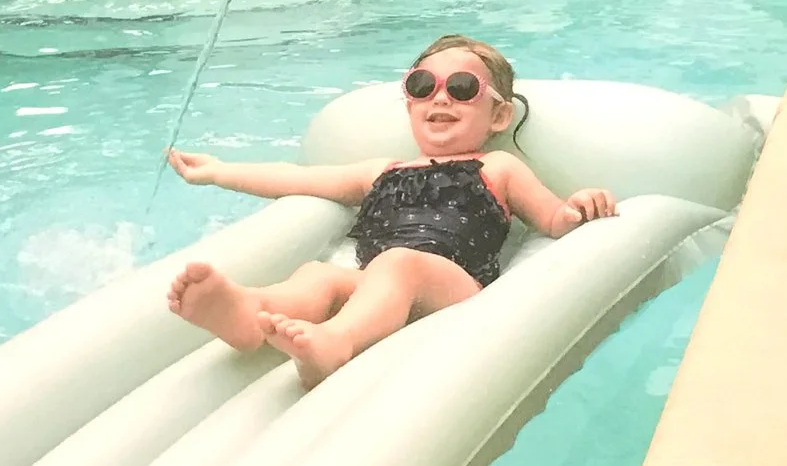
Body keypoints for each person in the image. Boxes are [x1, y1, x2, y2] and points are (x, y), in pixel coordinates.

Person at [163, 34, 617, 387]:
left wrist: (579, 205)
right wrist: (219, 171)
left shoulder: (497, 167)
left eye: (462, 88)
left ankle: (337, 342)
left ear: (498, 116)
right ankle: (249, 313)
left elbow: (554, 219)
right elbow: (295, 177)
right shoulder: (383, 171)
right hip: (376, 284)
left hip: (454, 288)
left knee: (400, 264)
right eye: (423, 86)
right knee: (317, 276)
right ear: (410, 102)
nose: (440, 98)